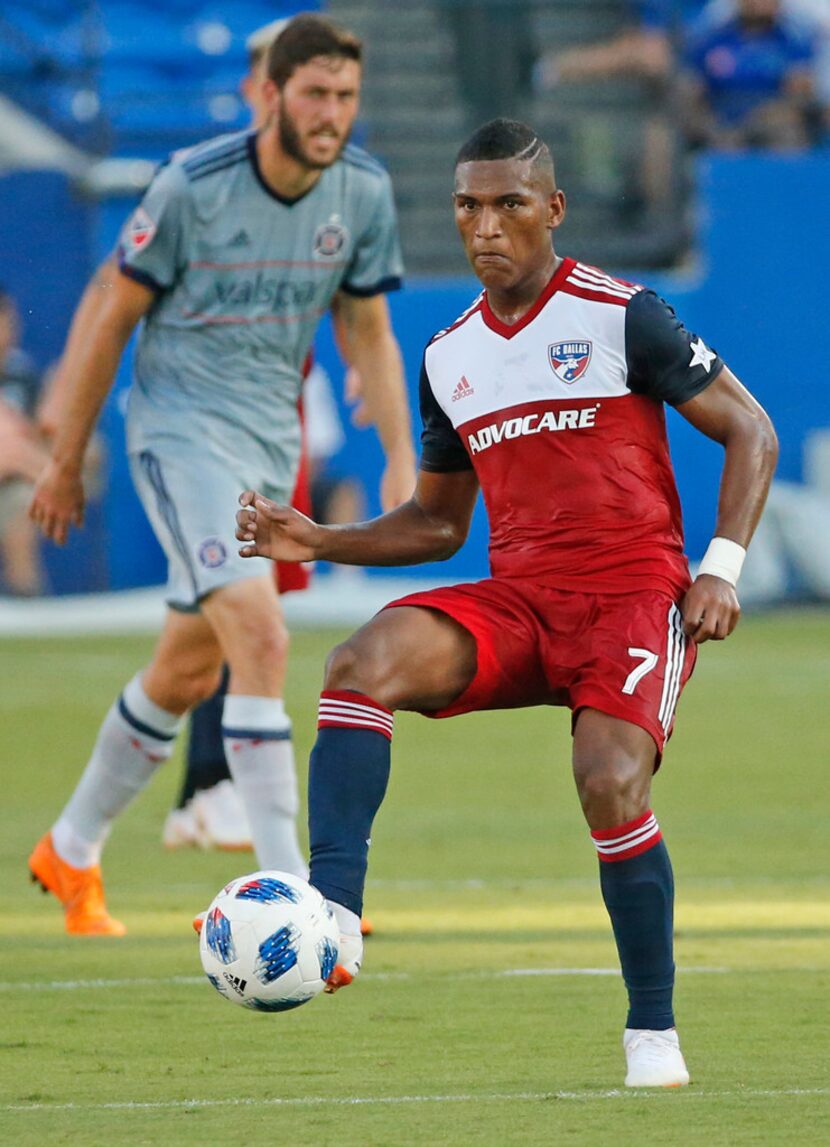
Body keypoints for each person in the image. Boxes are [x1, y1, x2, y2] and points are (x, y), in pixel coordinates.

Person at [232, 118, 778, 1087]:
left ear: (552, 210)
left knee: (607, 780)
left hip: (628, 599)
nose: (484, 226)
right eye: (466, 206)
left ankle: (650, 1031)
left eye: (507, 204)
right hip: (519, 601)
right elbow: (438, 526)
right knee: (358, 665)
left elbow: (748, 428)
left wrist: (719, 565)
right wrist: (319, 538)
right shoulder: (449, 355)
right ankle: (329, 914)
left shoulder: (621, 314)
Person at [27, 12, 416, 937]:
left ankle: (71, 848)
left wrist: (403, 456)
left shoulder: (361, 189)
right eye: (316, 93)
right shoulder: (192, 185)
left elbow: (368, 328)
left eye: (346, 96)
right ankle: (300, 897)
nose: (332, 113)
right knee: (262, 632)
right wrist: (67, 459)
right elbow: (111, 314)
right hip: (178, 433)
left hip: (264, 446)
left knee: (188, 662)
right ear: (271, 94)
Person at [163, 16, 370, 856]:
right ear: (264, 88)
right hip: (219, 425)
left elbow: (345, 291)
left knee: (241, 613)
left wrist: (359, 356)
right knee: (236, 614)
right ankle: (210, 787)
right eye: (294, 84)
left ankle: (201, 791)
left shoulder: (321, 188)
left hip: (275, 420)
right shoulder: (216, 185)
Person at [683, 0, 817, 150]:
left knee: (787, 132)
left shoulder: (792, 41)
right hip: (721, 115)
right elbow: (695, 87)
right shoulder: (714, 39)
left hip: (771, 115)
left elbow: (801, 89)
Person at [0, 289, 49, 596]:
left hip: (12, 483)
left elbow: (34, 440)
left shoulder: (22, 373)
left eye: (9, 320)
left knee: (22, 505)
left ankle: (27, 599)